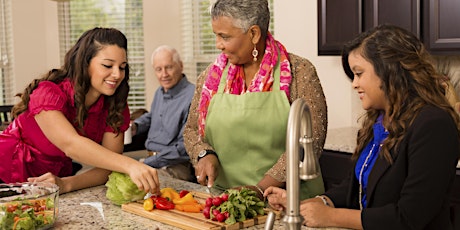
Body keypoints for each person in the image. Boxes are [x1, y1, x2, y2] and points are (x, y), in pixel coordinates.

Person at [264, 24, 460, 229]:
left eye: (359, 73)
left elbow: (409, 217)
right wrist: (306, 205)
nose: (354, 84)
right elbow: (354, 187)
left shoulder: (433, 125)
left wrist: (330, 217)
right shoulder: (378, 121)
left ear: (389, 70)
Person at [183, 0, 327, 200]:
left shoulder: (299, 72)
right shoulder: (211, 78)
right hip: (227, 202)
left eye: (224, 36)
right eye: (216, 35)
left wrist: (259, 190)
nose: (218, 45)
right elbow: (191, 130)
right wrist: (204, 154)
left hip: (288, 201)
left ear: (253, 34)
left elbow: (310, 141)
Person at [0, 27, 160, 195]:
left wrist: (65, 184)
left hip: (47, 183)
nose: (117, 74)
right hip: (4, 172)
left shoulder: (115, 105)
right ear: (85, 63)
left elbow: (108, 167)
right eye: (107, 65)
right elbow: (71, 144)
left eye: (122, 67)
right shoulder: (48, 93)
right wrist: (130, 164)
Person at [131, 45, 196, 182]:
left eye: (169, 67)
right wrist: (136, 126)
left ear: (181, 66)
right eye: (158, 69)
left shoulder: (193, 96)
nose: (164, 74)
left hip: (176, 166)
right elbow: (152, 116)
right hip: (152, 160)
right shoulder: (160, 92)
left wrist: (149, 163)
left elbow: (184, 147)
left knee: (134, 183)